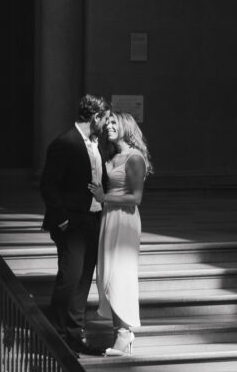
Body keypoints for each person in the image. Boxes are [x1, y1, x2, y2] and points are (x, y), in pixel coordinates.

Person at [39, 93, 111, 356]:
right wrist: (63, 219)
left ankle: (73, 335)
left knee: (82, 282)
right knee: (69, 279)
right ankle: (55, 338)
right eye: (104, 119)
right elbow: (48, 185)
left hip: (92, 219)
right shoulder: (64, 143)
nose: (105, 125)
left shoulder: (96, 144)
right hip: (71, 223)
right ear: (95, 117)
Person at [89, 111, 153, 356]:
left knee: (119, 276)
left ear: (126, 126)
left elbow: (136, 198)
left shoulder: (134, 158)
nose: (109, 126)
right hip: (109, 218)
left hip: (124, 221)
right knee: (106, 275)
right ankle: (120, 331)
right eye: (108, 123)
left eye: (114, 122)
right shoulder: (111, 156)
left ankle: (124, 334)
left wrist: (105, 197)